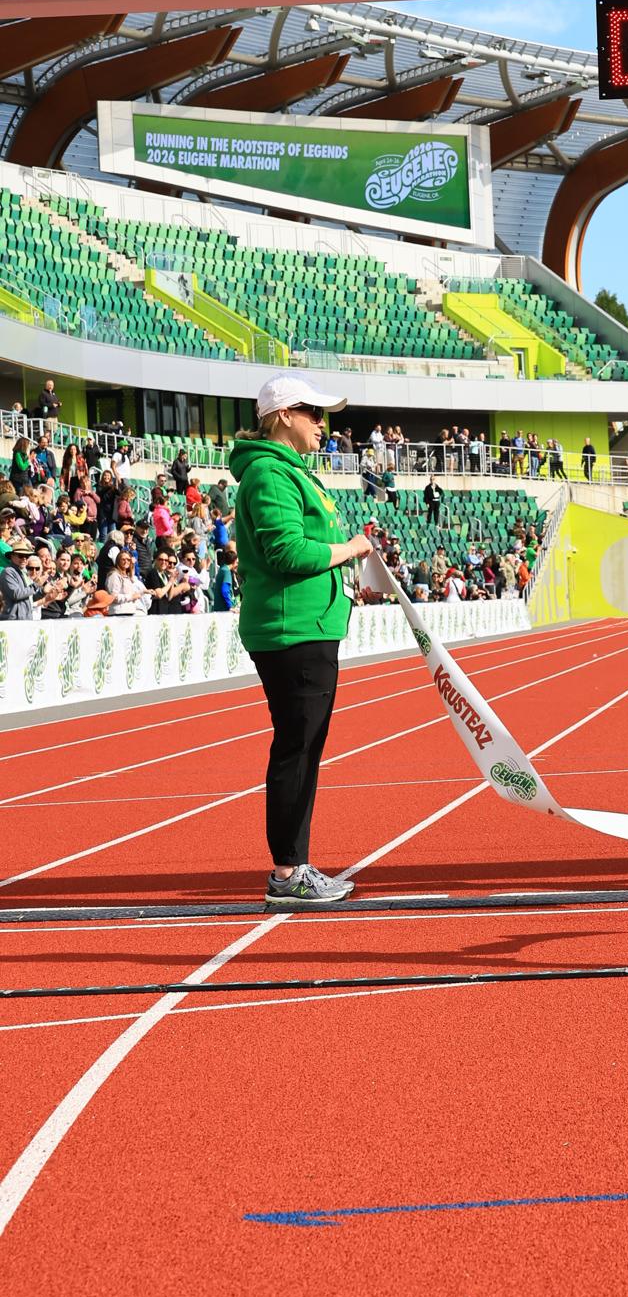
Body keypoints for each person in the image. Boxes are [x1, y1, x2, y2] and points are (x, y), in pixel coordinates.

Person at [231, 377, 373, 906]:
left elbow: (306, 550)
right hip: (292, 631)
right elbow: (288, 552)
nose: (322, 423)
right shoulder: (270, 473)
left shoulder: (290, 472)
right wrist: (350, 549)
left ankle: (295, 867)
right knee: (297, 748)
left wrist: (343, 573)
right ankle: (288, 872)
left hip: (308, 626)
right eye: (313, 412)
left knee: (305, 748)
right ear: (284, 415)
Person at [0, 543, 37, 620]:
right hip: (13, 620)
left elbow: (28, 593)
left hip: (23, 618)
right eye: (21, 555)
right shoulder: (8, 572)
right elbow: (16, 594)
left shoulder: (22, 572)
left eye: (27, 556)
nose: (24, 559)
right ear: (12, 556)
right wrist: (36, 585)